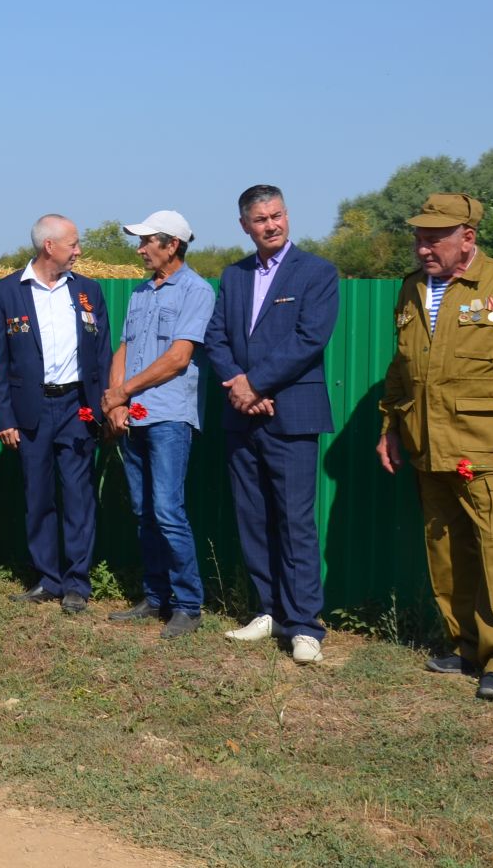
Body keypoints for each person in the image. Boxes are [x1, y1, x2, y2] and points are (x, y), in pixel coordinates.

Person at [378, 193, 493, 700]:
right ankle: (464, 646)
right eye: (419, 237)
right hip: (428, 445)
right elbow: (401, 369)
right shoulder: (413, 288)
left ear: (468, 237)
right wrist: (391, 427)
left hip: (487, 448)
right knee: (445, 551)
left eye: (434, 238)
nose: (422, 248)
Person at [203, 185, 340, 664]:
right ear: (245, 225)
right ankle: (270, 611)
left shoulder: (318, 272)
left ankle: (305, 624)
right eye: (260, 219)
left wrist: (255, 385)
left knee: (294, 519)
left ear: (287, 215)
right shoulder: (235, 276)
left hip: (291, 415)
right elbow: (215, 337)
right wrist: (238, 385)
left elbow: (309, 339)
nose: (271, 225)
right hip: (242, 417)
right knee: (253, 516)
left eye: (277, 215)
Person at [0, 214, 112, 614]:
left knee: (78, 495)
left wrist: (106, 406)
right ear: (49, 247)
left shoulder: (88, 291)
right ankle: (48, 578)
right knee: (37, 495)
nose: (78, 251)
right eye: (73, 244)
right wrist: (3, 418)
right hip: (30, 409)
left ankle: (77, 582)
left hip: (78, 407)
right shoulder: (5, 293)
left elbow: (103, 353)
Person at [101, 210, 215, 640]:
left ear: (173, 244)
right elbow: (125, 347)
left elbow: (178, 359)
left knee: (167, 511)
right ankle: (156, 596)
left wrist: (123, 391)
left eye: (148, 240)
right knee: (143, 511)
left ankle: (188, 604)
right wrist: (116, 400)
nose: (140, 248)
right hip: (134, 416)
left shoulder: (197, 291)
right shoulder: (141, 293)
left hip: (169, 416)